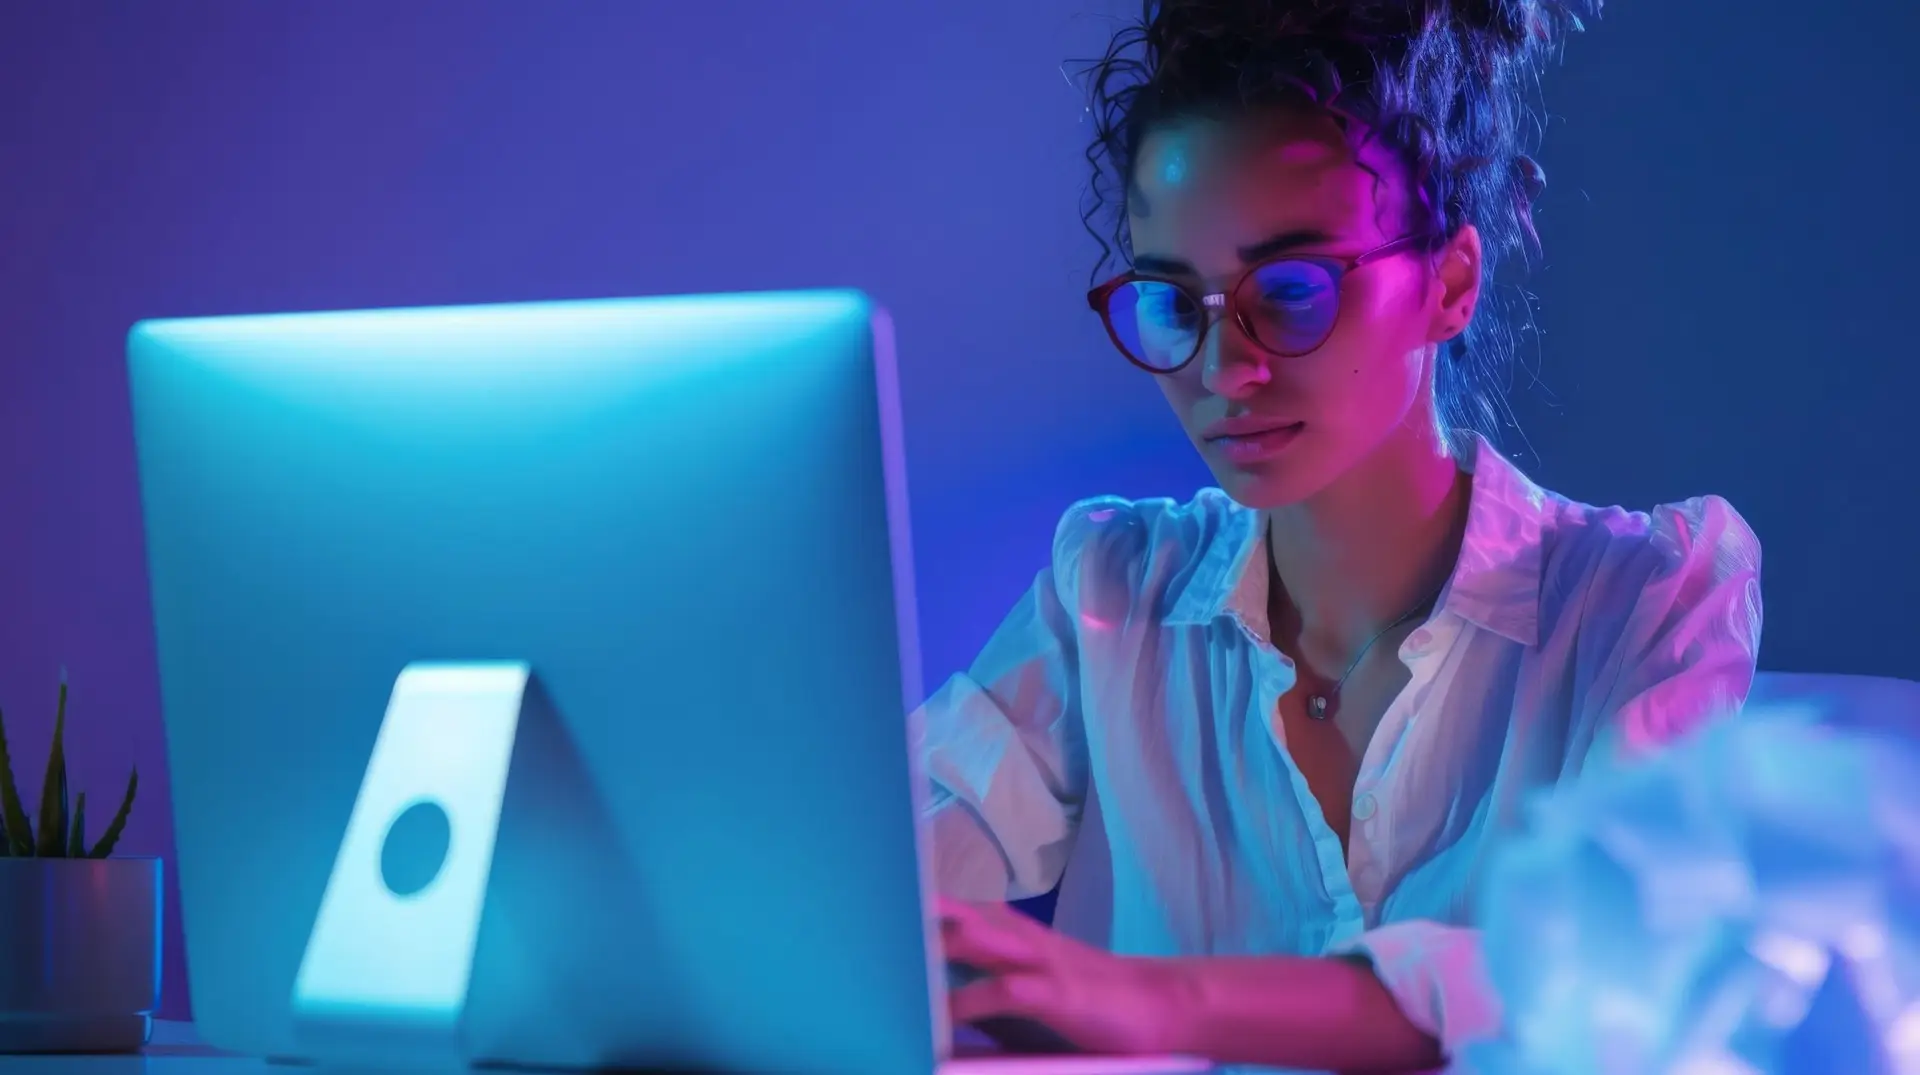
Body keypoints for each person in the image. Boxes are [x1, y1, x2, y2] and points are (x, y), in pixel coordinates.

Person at [916, 0, 1765, 1071]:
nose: (1226, 369)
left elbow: (1606, 978)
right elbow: (876, 879)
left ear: (1450, 282)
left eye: (1293, 290)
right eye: (1177, 301)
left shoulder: (1649, 603)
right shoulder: (1111, 590)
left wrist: (1165, 1004)